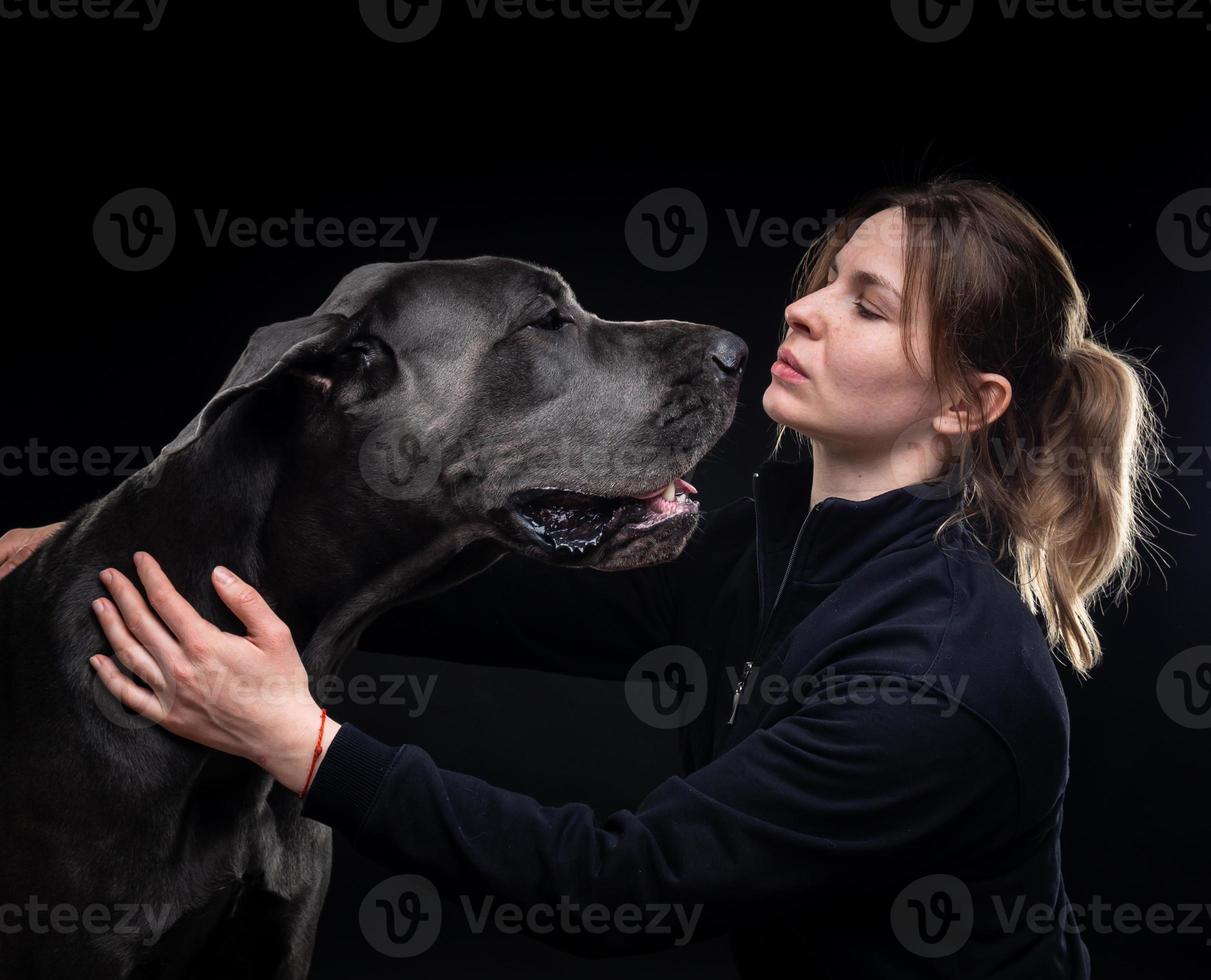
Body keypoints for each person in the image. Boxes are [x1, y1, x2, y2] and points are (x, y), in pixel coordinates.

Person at [0, 176, 1164, 977]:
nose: (797, 310)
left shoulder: (937, 674)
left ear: (966, 403)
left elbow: (626, 884)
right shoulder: (765, 558)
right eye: (823, 277)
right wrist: (96, 539)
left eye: (862, 305)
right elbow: (446, 557)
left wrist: (302, 744)